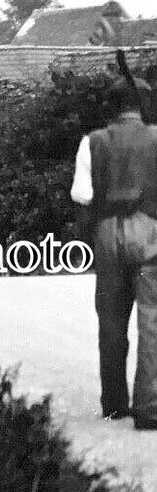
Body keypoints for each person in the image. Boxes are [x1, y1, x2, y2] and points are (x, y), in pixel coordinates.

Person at [70, 76, 157, 429]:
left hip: (107, 233)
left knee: (111, 320)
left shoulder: (93, 141)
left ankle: (114, 404)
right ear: (143, 105)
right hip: (150, 230)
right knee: (152, 320)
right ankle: (149, 409)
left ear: (113, 106)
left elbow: (81, 194)